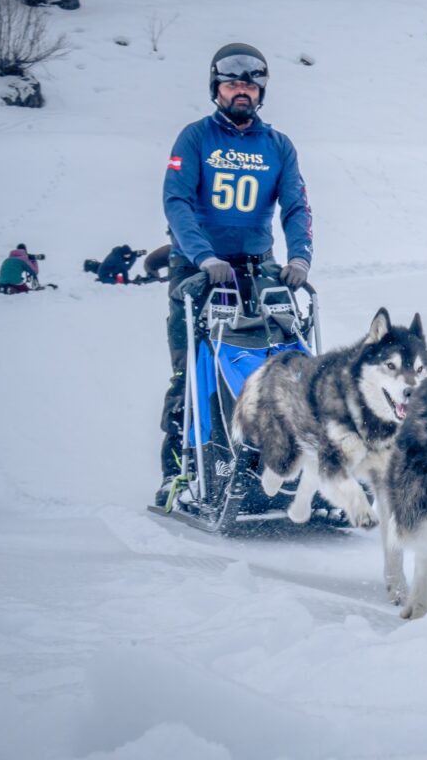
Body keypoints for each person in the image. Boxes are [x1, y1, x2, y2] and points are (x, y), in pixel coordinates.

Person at [156, 42, 313, 506]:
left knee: (279, 363)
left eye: (249, 83)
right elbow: (177, 202)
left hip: (259, 271)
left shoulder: (277, 145)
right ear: (216, 89)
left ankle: (285, 459)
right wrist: (204, 257)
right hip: (199, 271)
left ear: (261, 89)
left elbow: (296, 205)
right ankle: (180, 472)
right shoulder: (195, 138)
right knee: (191, 369)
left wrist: (299, 258)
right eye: (231, 83)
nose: (241, 91)